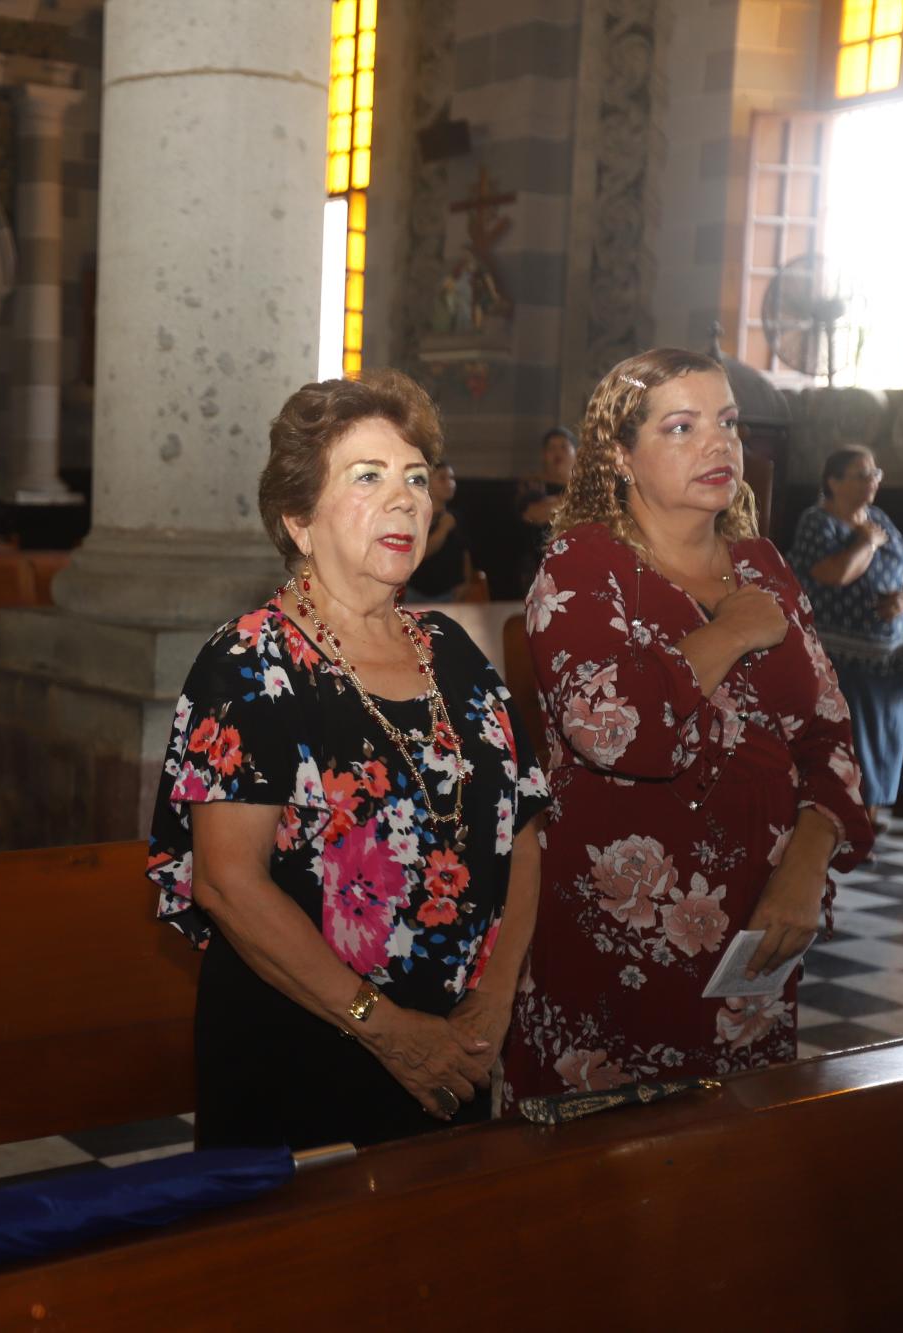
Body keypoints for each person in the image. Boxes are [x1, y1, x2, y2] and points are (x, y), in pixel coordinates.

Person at [147, 370, 551, 1151]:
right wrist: (389, 1030)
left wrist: (494, 1003)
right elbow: (228, 882)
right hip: (305, 1052)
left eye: (414, 478)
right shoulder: (248, 664)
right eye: (368, 477)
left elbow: (523, 826)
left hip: (459, 1050)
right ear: (299, 518)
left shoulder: (451, 652)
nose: (405, 499)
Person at [502, 348, 873, 1104]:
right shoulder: (582, 566)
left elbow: (831, 737)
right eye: (681, 426)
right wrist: (730, 631)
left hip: (756, 954)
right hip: (614, 970)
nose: (719, 444)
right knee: (591, 1204)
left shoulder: (764, 565)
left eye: (727, 422)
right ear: (621, 456)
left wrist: (805, 868)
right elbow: (613, 731)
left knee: (732, 1188)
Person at [788, 446, 903, 831]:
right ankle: (842, 822)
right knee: (850, 742)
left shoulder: (879, 519)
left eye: (875, 473)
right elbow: (835, 575)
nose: (873, 481)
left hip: (887, 660)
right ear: (833, 482)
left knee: (883, 741)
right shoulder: (818, 523)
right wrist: (866, 543)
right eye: (861, 474)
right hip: (841, 661)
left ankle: (870, 816)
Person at [514, 426, 576, 591]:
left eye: (564, 447)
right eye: (552, 448)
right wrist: (572, 498)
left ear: (576, 453)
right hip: (541, 579)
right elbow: (533, 514)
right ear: (544, 455)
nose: (558, 452)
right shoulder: (533, 486)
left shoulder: (588, 489)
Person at [407, 460, 475, 601]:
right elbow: (421, 553)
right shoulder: (415, 516)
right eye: (442, 478)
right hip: (417, 593)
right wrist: (443, 529)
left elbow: (465, 554)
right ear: (427, 484)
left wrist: (466, 583)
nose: (449, 483)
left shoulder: (456, 517)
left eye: (452, 478)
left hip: (450, 593)